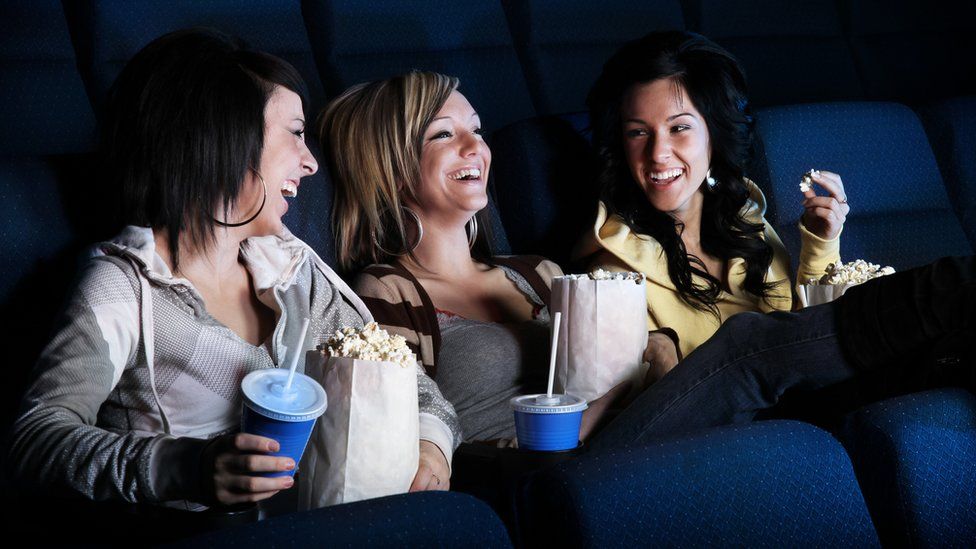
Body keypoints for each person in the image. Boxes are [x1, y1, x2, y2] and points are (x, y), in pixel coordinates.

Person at [322, 66, 974, 461]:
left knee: (858, 387)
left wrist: (655, 353)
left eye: (477, 128)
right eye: (444, 134)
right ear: (391, 165)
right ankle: (954, 293)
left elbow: (642, 358)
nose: (476, 146)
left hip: (638, 432)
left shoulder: (535, 272)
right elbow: (399, 433)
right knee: (746, 347)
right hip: (546, 471)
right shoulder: (385, 292)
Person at [5, 29, 456, 510]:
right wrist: (188, 469)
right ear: (225, 136)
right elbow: (36, 440)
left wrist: (431, 450)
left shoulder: (292, 270)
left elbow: (414, 389)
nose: (311, 164)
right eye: (296, 133)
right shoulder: (124, 288)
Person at [577, 31, 850, 370]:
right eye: (638, 132)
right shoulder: (614, 275)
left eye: (679, 129)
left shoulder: (747, 222)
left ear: (714, 135)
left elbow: (806, 341)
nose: (658, 154)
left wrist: (821, 244)